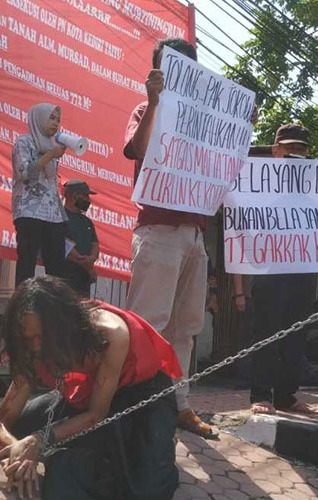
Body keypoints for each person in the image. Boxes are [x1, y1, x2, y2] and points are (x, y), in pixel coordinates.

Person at [0, 276, 180, 500]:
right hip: (85, 392)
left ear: (62, 325)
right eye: (28, 338)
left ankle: (161, 445)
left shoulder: (110, 333)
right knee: (20, 431)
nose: (36, 346)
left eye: (42, 336)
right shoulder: (29, 345)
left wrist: (38, 440)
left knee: (144, 490)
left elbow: (96, 415)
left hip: (141, 395)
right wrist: (18, 451)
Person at [122, 38, 216, 439]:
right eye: (169, 65)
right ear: (156, 70)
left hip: (195, 235)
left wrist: (239, 125)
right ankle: (131, 408)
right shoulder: (146, 109)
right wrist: (154, 101)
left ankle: (179, 406)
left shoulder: (206, 120)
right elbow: (135, 149)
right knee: (148, 325)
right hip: (158, 230)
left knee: (187, 329)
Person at [249, 124, 318, 415]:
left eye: (301, 149)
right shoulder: (256, 176)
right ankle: (260, 394)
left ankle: (286, 395)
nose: (296, 154)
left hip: (303, 265)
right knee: (267, 331)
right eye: (290, 148)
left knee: (297, 332)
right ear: (276, 149)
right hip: (269, 265)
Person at [12, 104, 68, 286]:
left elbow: (51, 180)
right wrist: (50, 155)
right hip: (29, 212)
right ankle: (22, 308)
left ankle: (53, 309)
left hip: (53, 215)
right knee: (27, 265)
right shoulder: (24, 142)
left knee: (57, 270)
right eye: (51, 118)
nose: (55, 123)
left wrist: (52, 154)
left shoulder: (51, 147)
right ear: (39, 118)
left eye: (58, 120)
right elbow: (25, 173)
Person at [62, 180, 99, 297]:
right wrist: (85, 264)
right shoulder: (60, 216)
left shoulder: (87, 221)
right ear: (74, 196)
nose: (88, 200)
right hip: (65, 277)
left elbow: (95, 244)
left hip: (84, 280)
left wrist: (92, 258)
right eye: (85, 196)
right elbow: (63, 244)